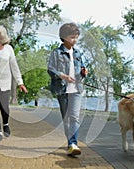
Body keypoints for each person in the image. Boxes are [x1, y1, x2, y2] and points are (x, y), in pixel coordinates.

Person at [47, 23, 88, 156]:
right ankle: (71, 142)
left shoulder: (78, 52)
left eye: (76, 37)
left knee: (75, 117)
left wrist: (84, 71)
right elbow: (51, 69)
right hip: (62, 89)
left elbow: (82, 66)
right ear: (64, 37)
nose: (75, 40)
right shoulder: (56, 52)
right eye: (72, 37)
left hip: (76, 89)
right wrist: (62, 76)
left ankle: (72, 143)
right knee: (67, 118)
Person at [0, 25, 28, 142]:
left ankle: (6, 124)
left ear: (1, 33)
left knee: (4, 107)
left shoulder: (8, 49)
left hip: (4, 82)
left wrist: (20, 83)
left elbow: (14, 66)